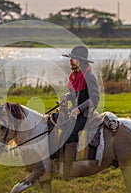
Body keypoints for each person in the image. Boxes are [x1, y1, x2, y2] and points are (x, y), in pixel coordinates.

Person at [51, 45, 100, 180]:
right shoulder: (75, 76)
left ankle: (67, 171)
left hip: (85, 113)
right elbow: (75, 94)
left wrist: (79, 109)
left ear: (81, 61)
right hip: (74, 112)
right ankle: (56, 164)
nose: (71, 61)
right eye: (71, 58)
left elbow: (95, 98)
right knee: (57, 126)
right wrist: (66, 97)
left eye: (74, 59)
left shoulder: (89, 76)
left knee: (70, 134)